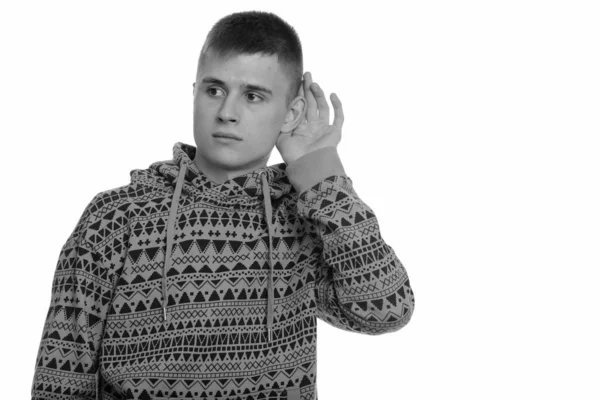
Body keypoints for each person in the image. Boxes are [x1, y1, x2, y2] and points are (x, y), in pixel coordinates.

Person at [31, 10, 415, 400]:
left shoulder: (301, 219)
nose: (227, 113)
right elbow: (60, 380)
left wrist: (319, 173)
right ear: (194, 92)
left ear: (292, 113)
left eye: (252, 96)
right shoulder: (115, 219)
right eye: (214, 90)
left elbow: (385, 309)